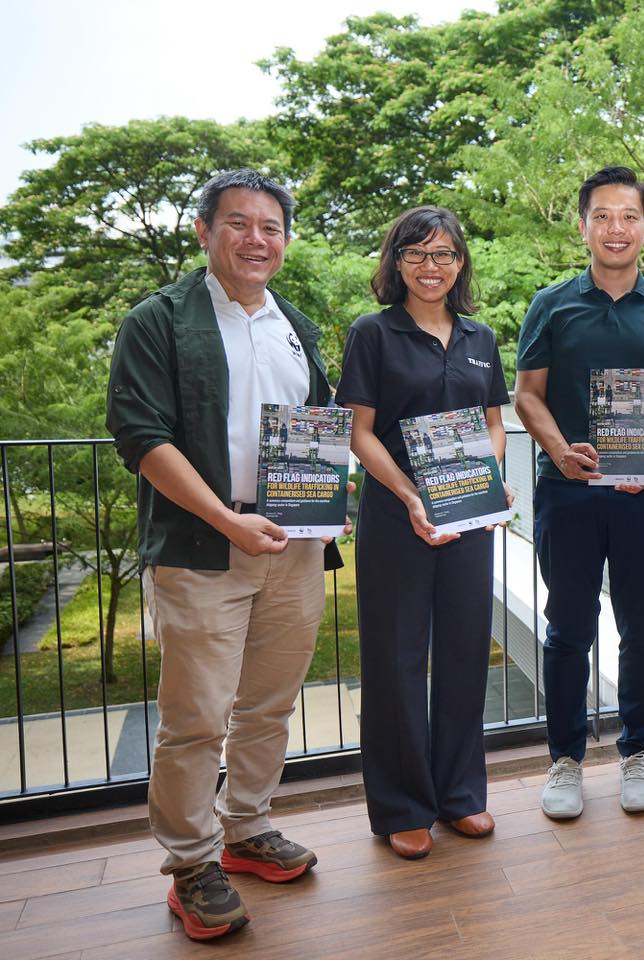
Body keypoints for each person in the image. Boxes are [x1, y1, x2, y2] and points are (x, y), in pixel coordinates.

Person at [106, 170, 340, 941]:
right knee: (196, 718)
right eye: (238, 223)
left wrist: (323, 507)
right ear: (204, 232)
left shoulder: (294, 325)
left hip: (294, 549)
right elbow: (142, 438)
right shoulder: (159, 321)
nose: (255, 239)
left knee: (269, 704)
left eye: (270, 227)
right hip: (203, 549)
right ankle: (191, 861)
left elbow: (318, 427)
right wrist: (226, 518)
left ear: (286, 241)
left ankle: (246, 828)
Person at [514, 166, 644, 819]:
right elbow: (526, 396)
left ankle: (637, 751)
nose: (615, 228)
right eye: (602, 215)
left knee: (642, 629)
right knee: (568, 629)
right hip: (566, 494)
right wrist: (560, 451)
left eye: (628, 217)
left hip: (641, 495)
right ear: (584, 224)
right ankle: (564, 759)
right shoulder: (551, 303)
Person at [337, 206, 512, 860]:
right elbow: (359, 432)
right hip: (395, 515)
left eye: (443, 254)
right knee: (396, 658)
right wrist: (412, 496)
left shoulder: (479, 337)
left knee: (467, 652)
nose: (431, 266)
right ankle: (403, 806)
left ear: (460, 263)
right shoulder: (373, 334)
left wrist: (490, 477)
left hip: (466, 515)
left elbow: (493, 422)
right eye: (417, 254)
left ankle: (461, 794)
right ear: (397, 262)